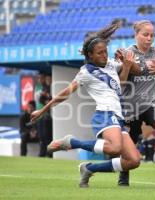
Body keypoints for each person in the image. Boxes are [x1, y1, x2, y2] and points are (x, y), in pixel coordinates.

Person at [30, 21, 140, 188]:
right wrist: (43, 110)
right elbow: (65, 93)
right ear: (90, 56)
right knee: (115, 148)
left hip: (118, 117)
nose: (104, 55)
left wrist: (127, 63)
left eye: (105, 51)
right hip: (104, 115)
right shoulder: (85, 72)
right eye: (100, 53)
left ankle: (88, 168)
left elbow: (124, 82)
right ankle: (73, 142)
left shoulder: (110, 64)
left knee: (133, 160)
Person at [116, 20, 155, 186]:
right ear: (136, 35)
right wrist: (126, 66)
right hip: (131, 106)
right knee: (130, 145)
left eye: (152, 35)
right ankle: (123, 176)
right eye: (145, 34)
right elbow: (121, 83)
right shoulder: (127, 53)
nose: (149, 38)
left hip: (152, 103)